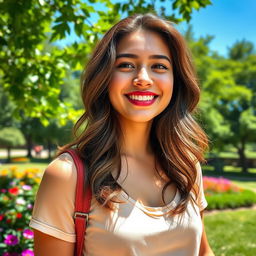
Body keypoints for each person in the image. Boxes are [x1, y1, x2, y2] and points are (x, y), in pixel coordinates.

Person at [29, 13, 215, 256]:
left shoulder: (186, 165)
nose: (143, 79)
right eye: (126, 65)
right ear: (104, 78)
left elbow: (203, 252)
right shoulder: (68, 175)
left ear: (175, 81)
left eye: (159, 66)